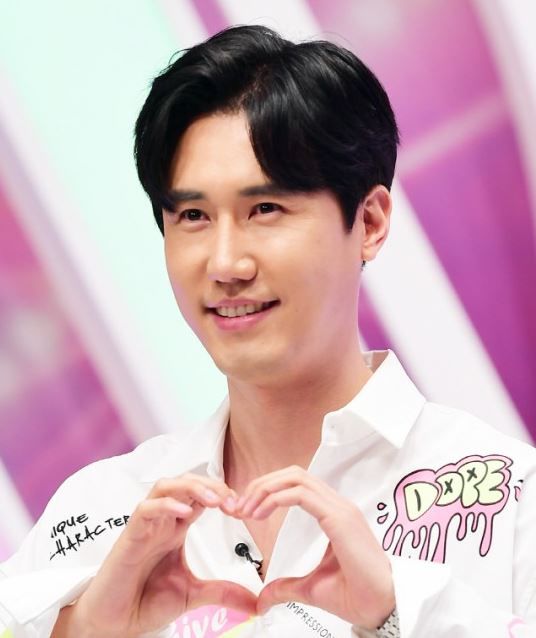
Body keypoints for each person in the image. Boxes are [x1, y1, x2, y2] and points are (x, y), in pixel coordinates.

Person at [0, 24, 534, 638]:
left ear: (369, 222)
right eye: (193, 216)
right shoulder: (101, 510)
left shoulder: (509, 497)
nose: (226, 263)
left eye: (265, 210)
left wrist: (398, 613)